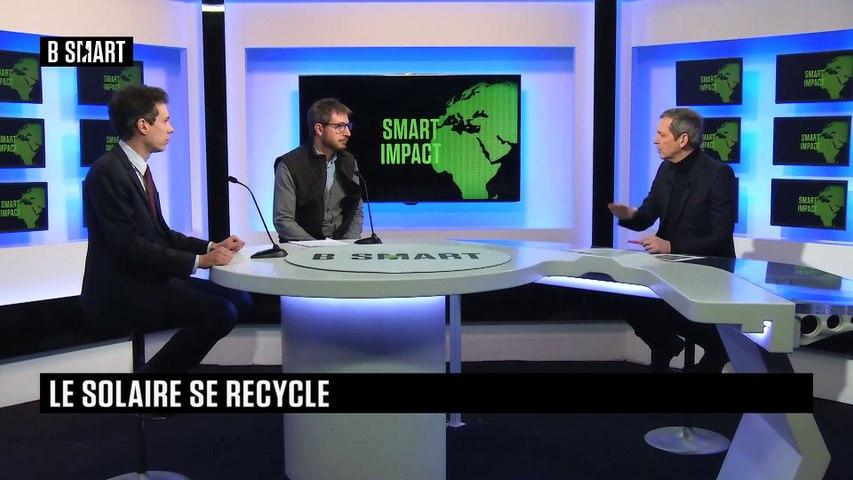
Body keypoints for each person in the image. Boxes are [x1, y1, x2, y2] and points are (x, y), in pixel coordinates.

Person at [81, 84, 252, 373]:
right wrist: (199, 261)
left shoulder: (137, 169)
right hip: (123, 289)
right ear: (143, 125)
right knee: (221, 312)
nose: (171, 129)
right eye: (165, 120)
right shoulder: (107, 172)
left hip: (149, 278)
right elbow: (129, 246)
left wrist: (211, 247)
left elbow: (162, 234)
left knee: (241, 299)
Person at [608, 107, 737, 372]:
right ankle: (665, 344)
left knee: (668, 310)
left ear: (682, 139)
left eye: (661, 135)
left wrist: (671, 245)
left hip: (706, 271)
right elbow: (646, 215)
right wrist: (629, 215)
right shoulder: (665, 169)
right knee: (622, 297)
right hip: (669, 267)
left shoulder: (718, 174)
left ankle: (717, 349)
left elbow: (720, 237)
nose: (655, 140)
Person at [273, 98, 364, 241]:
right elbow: (283, 220)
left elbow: (356, 212)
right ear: (319, 129)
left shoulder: (349, 161)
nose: (347, 133)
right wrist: (318, 248)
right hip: (301, 248)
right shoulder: (289, 165)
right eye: (340, 126)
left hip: (343, 246)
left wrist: (348, 245)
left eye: (348, 126)